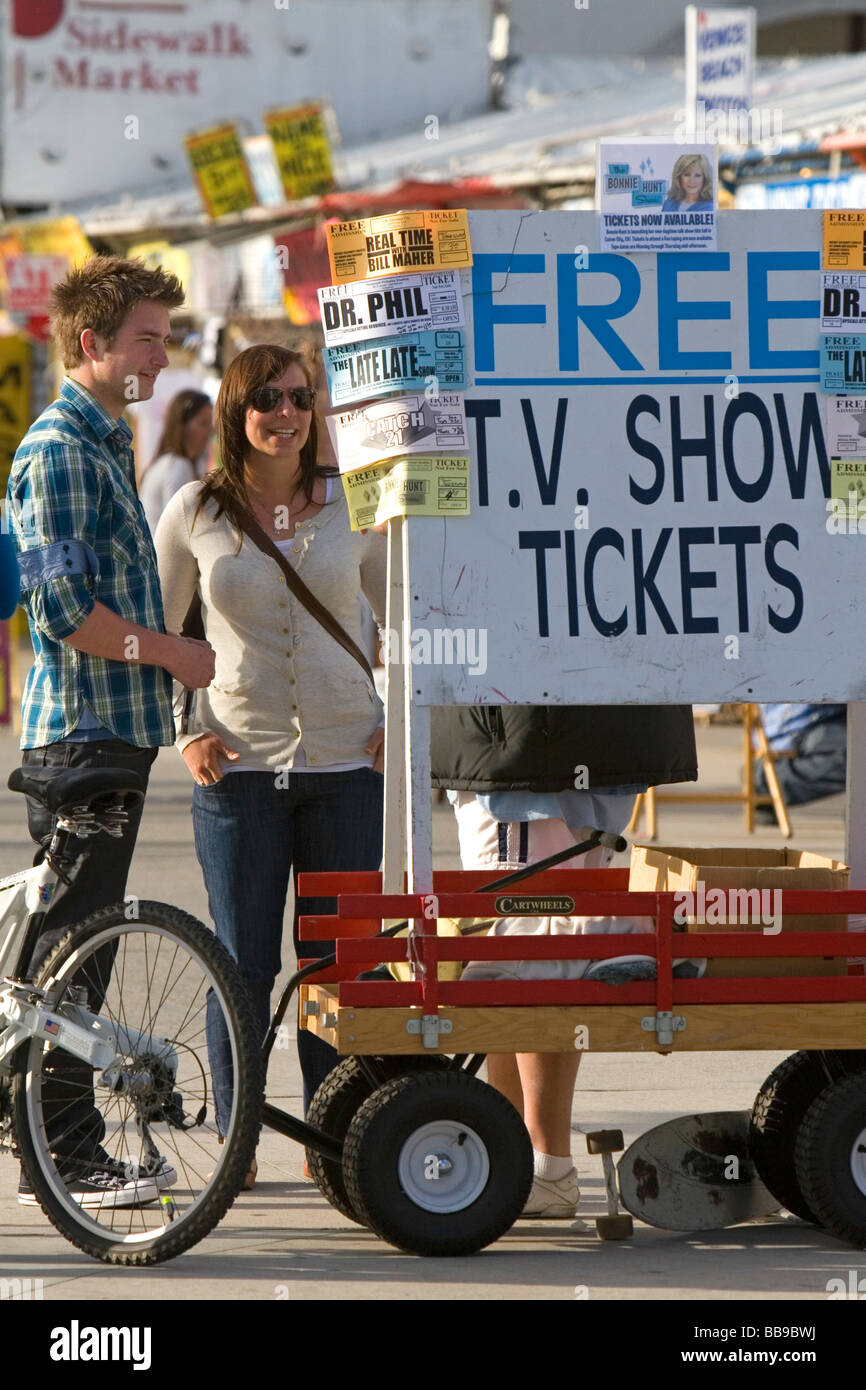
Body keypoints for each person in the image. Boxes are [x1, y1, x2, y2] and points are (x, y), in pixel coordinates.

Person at [6, 255, 215, 1209]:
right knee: (73, 964)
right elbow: (59, 611)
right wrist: (169, 653)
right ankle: (67, 1151)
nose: (161, 354)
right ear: (94, 345)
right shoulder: (58, 449)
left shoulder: (106, 438)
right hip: (82, 739)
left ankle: (36, 1125)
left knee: (68, 953)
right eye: (147, 337)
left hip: (108, 738)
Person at [154, 344, 386, 1182]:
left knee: (337, 957)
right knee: (242, 960)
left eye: (299, 397)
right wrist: (186, 732)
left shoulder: (354, 502)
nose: (286, 414)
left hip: (346, 765)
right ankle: (237, 1134)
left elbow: (406, 614)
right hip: (238, 766)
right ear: (235, 414)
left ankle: (334, 1136)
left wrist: (397, 719)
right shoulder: (194, 510)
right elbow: (166, 632)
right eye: (267, 400)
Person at [430, 702, 697, 1219]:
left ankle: (544, 1165)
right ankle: (524, 1159)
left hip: (523, 744)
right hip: (575, 731)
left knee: (530, 954)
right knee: (536, 946)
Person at [753, 703, 846, 825]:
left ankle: (768, 780)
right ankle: (768, 782)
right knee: (857, 755)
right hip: (806, 721)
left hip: (835, 714)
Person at [139, 388, 213, 534]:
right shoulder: (177, 466)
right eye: (203, 423)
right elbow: (181, 528)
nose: (210, 431)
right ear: (183, 426)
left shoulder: (178, 462)